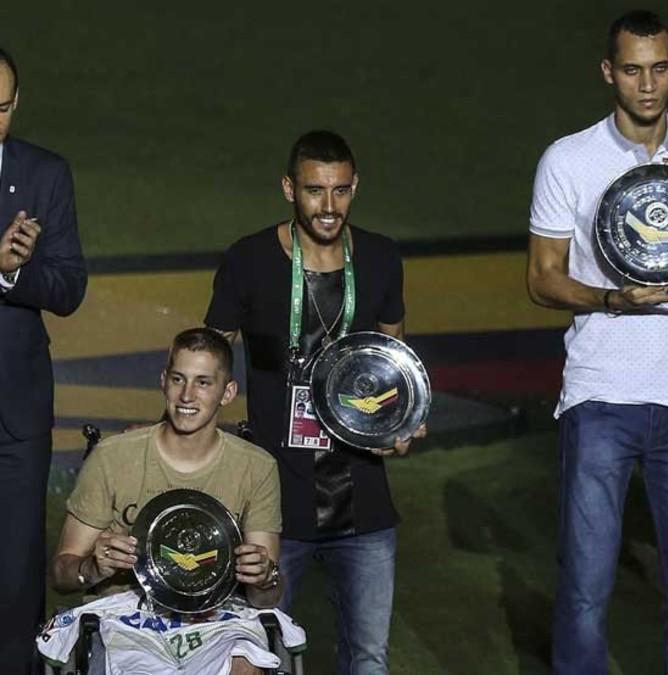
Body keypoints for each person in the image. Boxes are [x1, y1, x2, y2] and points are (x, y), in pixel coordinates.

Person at [526, 11, 668, 674]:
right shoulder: (568, 158)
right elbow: (541, 280)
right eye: (632, 69)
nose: (646, 83)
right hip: (599, 394)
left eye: (658, 67)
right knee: (585, 588)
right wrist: (609, 299)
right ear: (609, 73)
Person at [205, 129, 419, 674]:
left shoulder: (379, 257)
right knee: (261, 655)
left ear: (355, 188)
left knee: (369, 658)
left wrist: (405, 419)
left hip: (364, 499)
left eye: (341, 191)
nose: (329, 207)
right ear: (288, 188)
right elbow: (208, 359)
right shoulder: (249, 260)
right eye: (315, 191)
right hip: (273, 505)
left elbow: (394, 357)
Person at [47, 327, 285, 674]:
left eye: (203, 382)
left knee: (246, 665)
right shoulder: (113, 457)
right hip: (124, 616)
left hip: (217, 617)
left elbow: (266, 598)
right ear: (163, 382)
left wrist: (264, 577)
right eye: (178, 379)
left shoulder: (256, 467)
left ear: (227, 392)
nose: (187, 395)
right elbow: (61, 574)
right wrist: (91, 568)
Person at [0, 45, 88, 673]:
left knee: (14, 575)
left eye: (2, 108)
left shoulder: (44, 174)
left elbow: (68, 287)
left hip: (16, 414)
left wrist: (15, 275)